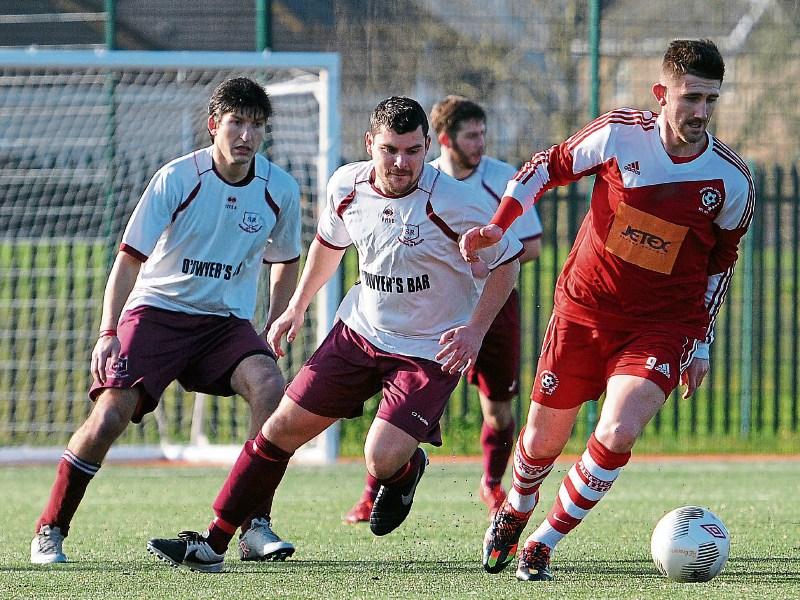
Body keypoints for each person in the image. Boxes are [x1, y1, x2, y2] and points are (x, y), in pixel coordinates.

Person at [146, 96, 523, 572]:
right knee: (279, 429)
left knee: (380, 459)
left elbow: (507, 263)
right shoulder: (347, 184)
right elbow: (329, 243)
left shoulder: (457, 202)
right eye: (389, 150)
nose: (401, 163)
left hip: (429, 349)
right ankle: (212, 542)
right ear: (370, 144)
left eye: (412, 151)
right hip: (360, 332)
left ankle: (403, 472)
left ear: (428, 146)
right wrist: (296, 308)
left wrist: (473, 330)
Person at [461, 39, 754, 581]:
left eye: (711, 100)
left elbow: (720, 264)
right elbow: (545, 168)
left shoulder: (731, 179)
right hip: (584, 311)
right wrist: (498, 226)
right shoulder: (620, 134)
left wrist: (702, 342)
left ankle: (543, 542)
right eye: (691, 98)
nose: (701, 112)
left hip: (663, 327)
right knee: (541, 443)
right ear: (661, 93)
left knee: (618, 429)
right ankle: (517, 508)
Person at [30, 77, 301, 566]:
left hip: (223, 323)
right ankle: (51, 527)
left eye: (256, 126)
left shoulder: (279, 188)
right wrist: (107, 332)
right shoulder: (177, 177)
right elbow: (129, 260)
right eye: (236, 123)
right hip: (157, 313)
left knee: (269, 387)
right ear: (214, 125)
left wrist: (277, 319)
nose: (246, 136)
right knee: (110, 416)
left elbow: (286, 258)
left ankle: (256, 526)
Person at [342, 95, 543, 524]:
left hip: (491, 308)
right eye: (472, 135)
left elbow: (531, 247)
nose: (480, 143)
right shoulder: (415, 179)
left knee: (498, 406)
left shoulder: (502, 180)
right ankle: (373, 490)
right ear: (445, 140)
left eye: (483, 133)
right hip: (425, 310)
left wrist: (478, 257)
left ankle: (491, 485)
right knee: (390, 399)